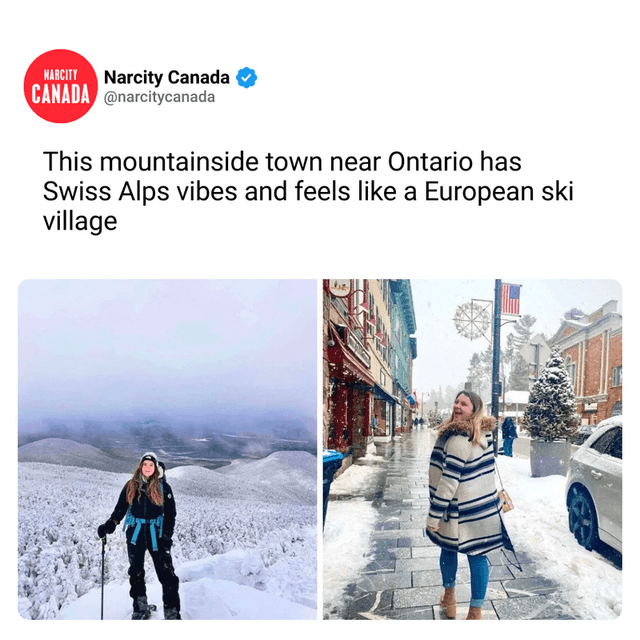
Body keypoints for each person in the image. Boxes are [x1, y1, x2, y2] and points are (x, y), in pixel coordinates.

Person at [426, 391, 504, 620]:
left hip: (457, 510)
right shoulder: (482, 434)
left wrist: (433, 516)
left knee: (449, 550)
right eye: (457, 401)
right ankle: (474, 612)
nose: (457, 406)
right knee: (478, 555)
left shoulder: (459, 438)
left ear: (474, 409)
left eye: (464, 404)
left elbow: (448, 483)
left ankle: (450, 598)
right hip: (481, 508)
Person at [98, 452, 181, 620]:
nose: (148, 468)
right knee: (136, 572)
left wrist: (166, 541)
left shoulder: (164, 488)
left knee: (167, 574)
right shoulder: (131, 485)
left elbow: (170, 516)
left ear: (156, 467)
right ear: (140, 466)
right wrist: (110, 524)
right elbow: (120, 509)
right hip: (135, 533)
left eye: (151, 465)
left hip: (156, 535)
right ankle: (140, 608)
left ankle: (172, 614)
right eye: (145, 465)